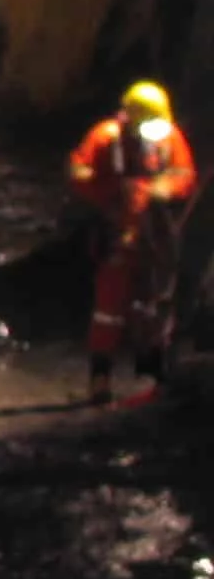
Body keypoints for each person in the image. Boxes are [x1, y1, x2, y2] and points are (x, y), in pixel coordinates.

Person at [67, 81, 199, 404]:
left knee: (154, 306)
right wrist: (112, 193)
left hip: (154, 233)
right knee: (109, 309)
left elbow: (184, 173)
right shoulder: (105, 137)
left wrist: (163, 190)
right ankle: (100, 381)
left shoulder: (167, 137)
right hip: (116, 234)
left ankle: (153, 380)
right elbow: (79, 171)